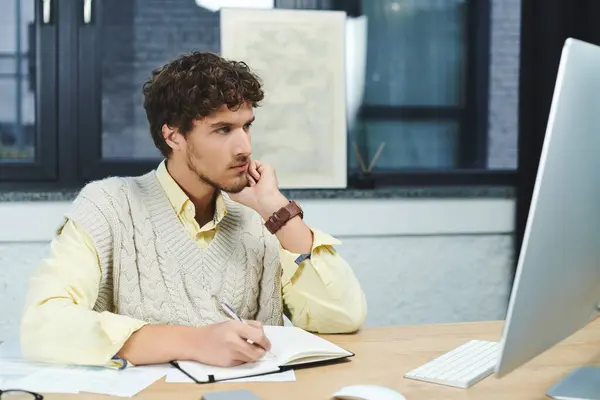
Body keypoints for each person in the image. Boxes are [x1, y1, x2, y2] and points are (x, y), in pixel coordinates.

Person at [20, 52, 367, 369]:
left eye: (246, 126)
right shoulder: (108, 204)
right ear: (173, 136)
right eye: (222, 129)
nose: (244, 146)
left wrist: (277, 210)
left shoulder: (263, 216)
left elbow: (343, 317)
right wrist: (196, 342)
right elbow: (43, 325)